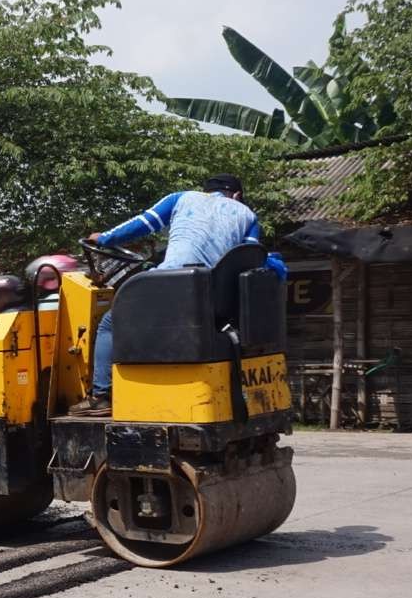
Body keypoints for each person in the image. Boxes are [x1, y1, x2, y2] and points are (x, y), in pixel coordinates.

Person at [73, 174, 268, 417]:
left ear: (206, 191)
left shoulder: (182, 198)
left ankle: (100, 397)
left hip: (172, 285)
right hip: (213, 297)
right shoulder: (248, 215)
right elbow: (248, 257)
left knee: (111, 324)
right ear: (237, 195)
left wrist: (104, 238)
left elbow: (143, 224)